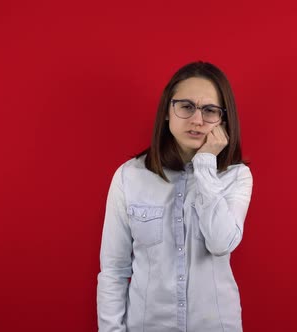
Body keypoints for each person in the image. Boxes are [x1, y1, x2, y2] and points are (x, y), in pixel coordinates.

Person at [97, 61, 253, 332]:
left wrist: (206, 165)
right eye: (186, 106)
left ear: (223, 120)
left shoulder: (236, 177)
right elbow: (113, 271)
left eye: (210, 110)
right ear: (168, 111)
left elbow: (220, 242)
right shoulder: (129, 176)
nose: (197, 120)